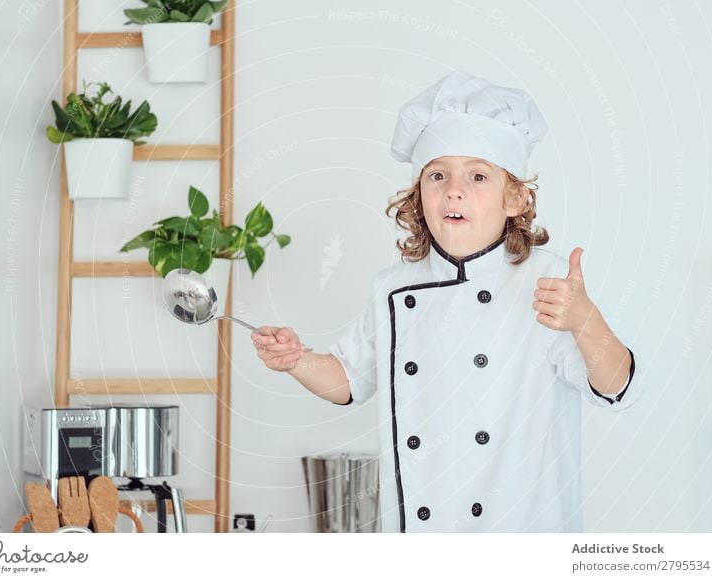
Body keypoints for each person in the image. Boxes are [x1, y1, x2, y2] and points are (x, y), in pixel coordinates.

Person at [250, 70, 640, 533]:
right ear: (419, 197)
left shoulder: (547, 280)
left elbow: (617, 387)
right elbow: (347, 380)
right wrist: (296, 360)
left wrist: (585, 319)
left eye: (478, 175)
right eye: (437, 175)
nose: (454, 188)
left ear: (514, 197)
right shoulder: (394, 288)